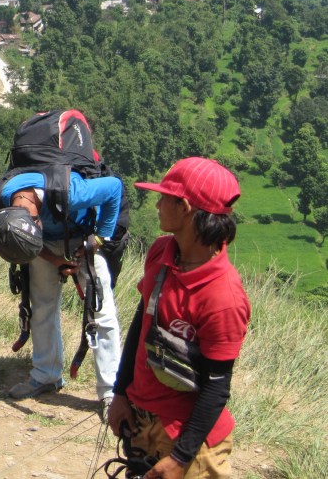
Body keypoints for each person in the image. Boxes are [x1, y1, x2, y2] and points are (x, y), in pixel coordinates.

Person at [108, 158, 250, 479]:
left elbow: (217, 386)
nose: (157, 204)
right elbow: (140, 327)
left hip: (189, 442)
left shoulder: (223, 296)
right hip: (142, 420)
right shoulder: (162, 252)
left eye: (164, 197)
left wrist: (181, 458)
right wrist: (120, 392)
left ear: (184, 208)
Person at [0, 168, 123, 419]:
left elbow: (114, 188)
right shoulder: (3, 199)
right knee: (41, 307)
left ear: (36, 220)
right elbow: (22, 240)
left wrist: (98, 239)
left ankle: (111, 391)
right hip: (42, 243)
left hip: (82, 238)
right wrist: (52, 258)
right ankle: (46, 375)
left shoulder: (73, 193)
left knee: (101, 313)